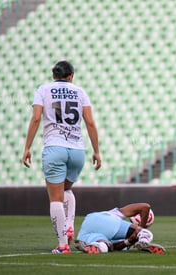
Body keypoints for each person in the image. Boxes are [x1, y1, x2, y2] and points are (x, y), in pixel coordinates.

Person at [22, 60, 101, 254]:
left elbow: (35, 118)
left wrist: (27, 147)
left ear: (53, 75)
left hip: (55, 147)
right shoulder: (80, 92)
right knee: (66, 189)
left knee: (55, 198)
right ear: (71, 75)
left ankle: (63, 244)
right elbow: (90, 122)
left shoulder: (43, 89)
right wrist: (96, 151)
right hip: (77, 150)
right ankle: (69, 224)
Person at [74, 203, 165, 254]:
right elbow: (146, 207)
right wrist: (141, 228)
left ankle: (95, 246)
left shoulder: (117, 212)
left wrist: (129, 240)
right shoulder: (118, 216)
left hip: (89, 223)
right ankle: (143, 239)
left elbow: (145, 207)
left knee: (105, 245)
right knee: (146, 233)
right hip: (110, 224)